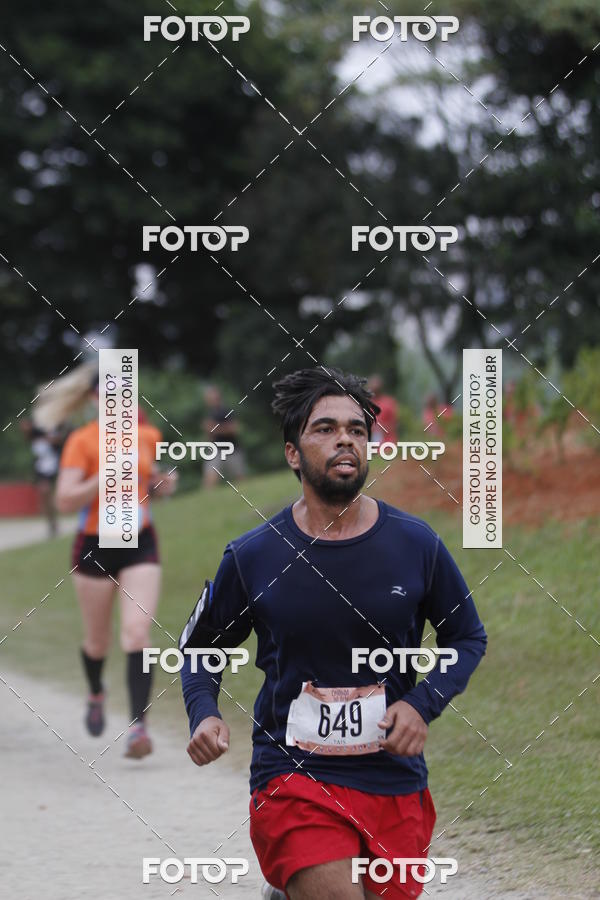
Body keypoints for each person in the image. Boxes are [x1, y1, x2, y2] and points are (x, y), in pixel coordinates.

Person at [180, 367, 487, 899]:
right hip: (292, 774)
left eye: (356, 430)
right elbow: (202, 647)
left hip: (392, 778)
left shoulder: (416, 545)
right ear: (292, 454)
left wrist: (422, 704)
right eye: (325, 428)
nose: (345, 439)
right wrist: (203, 712)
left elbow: (467, 638)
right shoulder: (254, 555)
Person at [36, 363, 178, 758]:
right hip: (95, 545)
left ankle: (138, 728)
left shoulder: (147, 435)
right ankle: (97, 691)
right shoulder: (81, 441)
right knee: (97, 642)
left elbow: (150, 482)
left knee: (136, 633)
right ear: (95, 399)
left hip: (140, 543)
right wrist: (105, 475)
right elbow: (65, 500)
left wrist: (162, 485)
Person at [20, 418, 70, 537]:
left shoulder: (53, 428)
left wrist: (47, 437)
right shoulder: (35, 432)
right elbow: (26, 430)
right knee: (44, 494)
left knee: (47, 491)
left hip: (54, 465)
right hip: (41, 467)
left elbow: (58, 440)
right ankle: (51, 522)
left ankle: (54, 518)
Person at [201, 384, 246, 487]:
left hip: (232, 449)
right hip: (216, 450)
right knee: (209, 479)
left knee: (240, 479)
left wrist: (214, 428)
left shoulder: (226, 411)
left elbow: (234, 429)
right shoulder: (210, 414)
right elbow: (210, 433)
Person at [367, 374, 398, 444]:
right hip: (371, 443)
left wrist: (381, 428)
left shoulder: (389, 402)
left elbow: (394, 424)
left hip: (387, 442)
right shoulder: (366, 403)